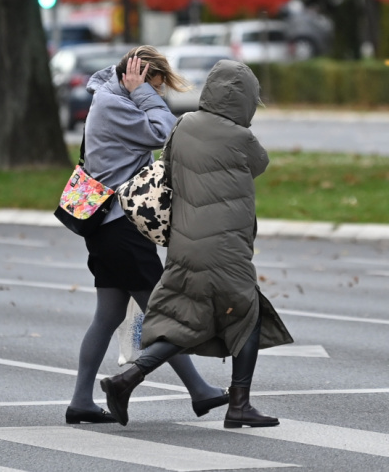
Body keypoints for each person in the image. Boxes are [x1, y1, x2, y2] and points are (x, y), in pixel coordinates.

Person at [99, 60, 294, 428]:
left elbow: (168, 168)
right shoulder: (242, 138)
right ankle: (239, 405)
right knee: (248, 314)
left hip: (185, 246)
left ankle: (125, 380)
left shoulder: (184, 126)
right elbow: (260, 164)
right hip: (226, 248)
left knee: (188, 320)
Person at [66, 46, 229, 425]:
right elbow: (165, 132)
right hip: (120, 227)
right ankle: (199, 391)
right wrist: (142, 94)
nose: (158, 93)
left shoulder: (110, 99)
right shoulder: (115, 104)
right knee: (163, 313)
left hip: (109, 227)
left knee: (107, 316)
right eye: (155, 84)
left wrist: (140, 92)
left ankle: (80, 401)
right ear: (137, 75)